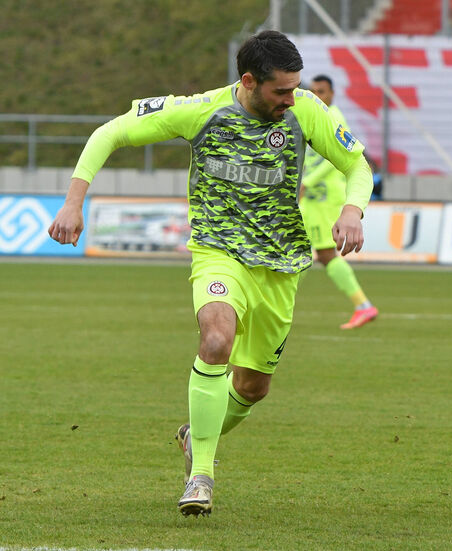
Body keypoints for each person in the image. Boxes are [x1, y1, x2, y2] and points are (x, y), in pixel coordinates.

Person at [47, 30, 374, 517]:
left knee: (253, 388)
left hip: (281, 264)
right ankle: (201, 475)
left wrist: (352, 209)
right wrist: (73, 202)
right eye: (281, 90)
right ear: (249, 80)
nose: (291, 98)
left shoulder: (306, 110)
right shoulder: (201, 110)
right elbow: (109, 132)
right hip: (218, 252)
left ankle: (194, 435)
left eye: (295, 88)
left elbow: (358, 165)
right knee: (216, 339)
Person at [300, 74, 379, 330]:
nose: (317, 96)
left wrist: (307, 182)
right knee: (300, 249)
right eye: (313, 91)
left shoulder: (333, 116)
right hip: (314, 199)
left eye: (322, 91)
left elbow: (333, 160)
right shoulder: (313, 115)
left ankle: (363, 305)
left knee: (323, 254)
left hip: (325, 198)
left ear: (332, 94)